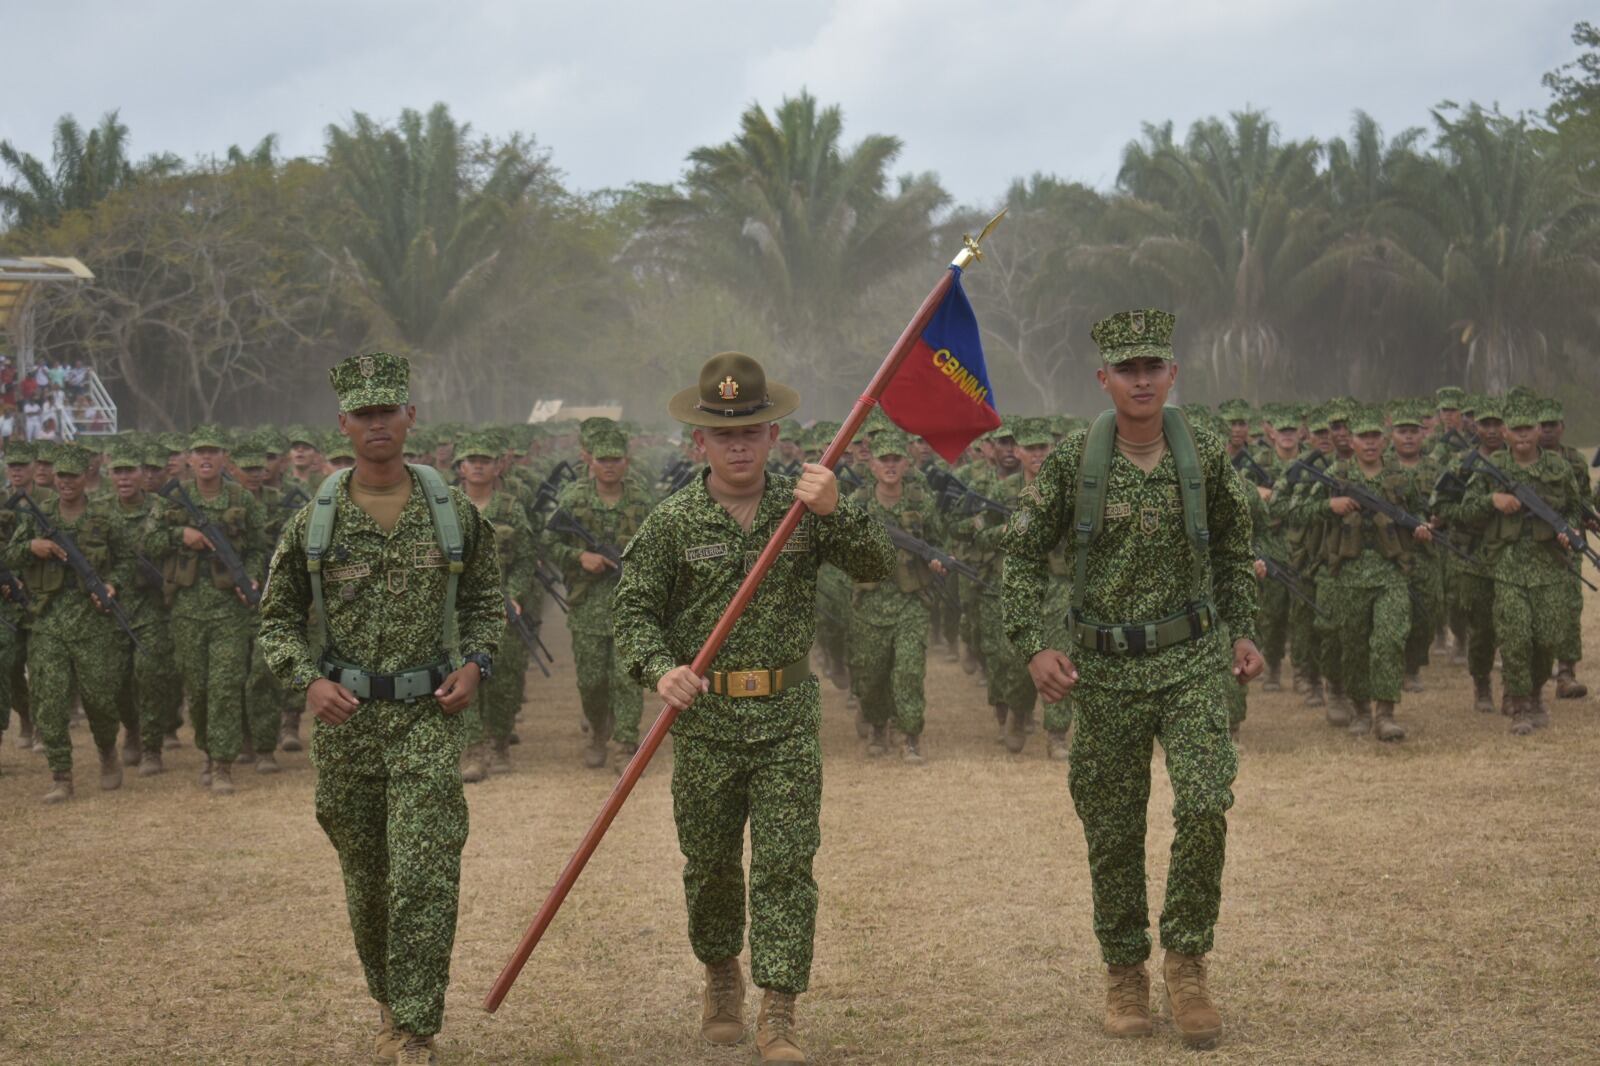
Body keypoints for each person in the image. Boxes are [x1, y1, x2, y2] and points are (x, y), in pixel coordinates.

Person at [613, 351, 894, 1064]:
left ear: (775, 437)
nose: (738, 445)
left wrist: (839, 510)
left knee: (785, 863)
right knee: (709, 862)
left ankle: (779, 1008)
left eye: (753, 430)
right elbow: (634, 612)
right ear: (698, 442)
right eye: (723, 433)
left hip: (786, 719)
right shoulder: (673, 522)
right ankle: (720, 975)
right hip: (705, 725)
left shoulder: (805, 507)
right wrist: (660, 669)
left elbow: (877, 565)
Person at [1002, 310, 1261, 1050]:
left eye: (1154, 366)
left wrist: (1243, 628)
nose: (1141, 380)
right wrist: (1032, 646)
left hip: (1191, 661)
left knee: (1207, 801)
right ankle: (1124, 971)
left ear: (1172, 374)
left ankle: (1186, 963)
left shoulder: (1204, 454)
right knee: (1113, 831)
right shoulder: (1072, 462)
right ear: (1104, 378)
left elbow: (1237, 550)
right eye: (1128, 368)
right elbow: (1018, 555)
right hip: (1104, 671)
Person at [258, 351, 501, 1065]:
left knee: (424, 871)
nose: (376, 425)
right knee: (368, 879)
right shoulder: (314, 522)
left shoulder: (451, 511)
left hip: (429, 717)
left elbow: (487, 600)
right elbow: (276, 620)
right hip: (349, 726)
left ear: (409, 418)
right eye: (362, 414)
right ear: (344, 424)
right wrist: (307, 681)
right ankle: (390, 1005)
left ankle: (420, 1026)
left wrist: (477, 662)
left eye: (386, 412)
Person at [2, 442, 136, 803]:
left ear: (86, 475)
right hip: (46, 622)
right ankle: (61, 775)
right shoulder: (36, 513)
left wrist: (112, 585)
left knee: (100, 701)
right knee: (49, 700)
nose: (65, 482)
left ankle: (108, 751)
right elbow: (9, 555)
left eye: (72, 475)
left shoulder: (104, 516)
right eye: (60, 475)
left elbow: (126, 562)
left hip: (92, 624)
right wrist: (33, 546)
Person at [146, 425, 267, 794]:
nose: (206, 458)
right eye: (200, 452)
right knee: (197, 690)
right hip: (186, 610)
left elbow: (260, 546)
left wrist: (256, 578)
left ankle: (222, 764)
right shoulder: (172, 500)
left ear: (224, 458)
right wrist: (178, 535)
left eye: (213, 451)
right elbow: (148, 542)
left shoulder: (241, 500)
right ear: (189, 459)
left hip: (230, 610)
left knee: (226, 687)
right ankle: (207, 750)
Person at [545, 417, 655, 770]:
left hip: (630, 604)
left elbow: (659, 546)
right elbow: (548, 540)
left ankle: (626, 744)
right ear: (590, 460)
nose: (609, 466)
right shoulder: (574, 499)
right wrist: (581, 556)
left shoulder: (641, 499)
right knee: (592, 681)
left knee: (627, 678)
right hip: (587, 603)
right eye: (603, 459)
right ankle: (597, 729)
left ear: (627, 460)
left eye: (616, 459)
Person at [846, 427, 945, 763]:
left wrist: (937, 561)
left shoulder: (922, 503)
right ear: (871, 464)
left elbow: (938, 543)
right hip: (869, 600)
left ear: (906, 464)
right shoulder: (856, 505)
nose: (889, 465)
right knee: (871, 673)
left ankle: (910, 735)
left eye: (896, 459)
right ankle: (876, 725)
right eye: (883, 459)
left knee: (908, 670)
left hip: (910, 600)